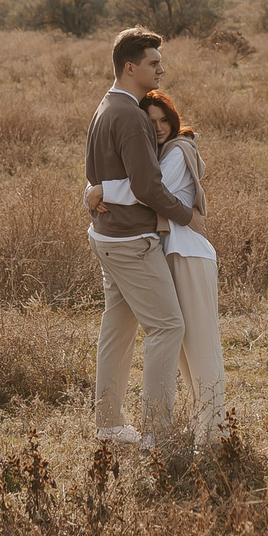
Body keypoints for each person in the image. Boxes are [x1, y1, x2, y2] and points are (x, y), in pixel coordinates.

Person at [88, 89, 226, 443]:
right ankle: (199, 432)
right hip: (169, 254)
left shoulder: (178, 151)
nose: (159, 127)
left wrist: (100, 189)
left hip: (189, 255)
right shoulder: (157, 151)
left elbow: (148, 189)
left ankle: (211, 436)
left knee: (201, 348)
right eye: (151, 122)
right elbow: (139, 177)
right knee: (183, 353)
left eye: (165, 119)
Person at [84, 27, 195, 448]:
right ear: (130, 68)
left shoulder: (104, 106)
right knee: (168, 326)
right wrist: (187, 215)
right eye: (153, 63)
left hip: (107, 236)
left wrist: (95, 194)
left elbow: (101, 177)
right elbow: (147, 186)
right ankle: (156, 433)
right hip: (131, 240)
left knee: (118, 327)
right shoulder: (130, 115)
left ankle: (110, 424)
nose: (161, 69)